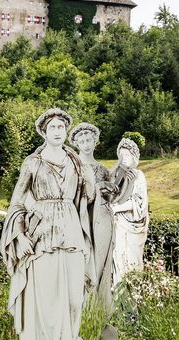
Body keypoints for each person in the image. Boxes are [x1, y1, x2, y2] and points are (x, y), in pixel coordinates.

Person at [1, 108, 97, 340]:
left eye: (62, 128)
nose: (58, 132)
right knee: (45, 296)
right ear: (44, 131)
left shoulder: (75, 161)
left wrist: (89, 177)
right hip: (42, 233)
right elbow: (17, 202)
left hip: (71, 228)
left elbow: (90, 197)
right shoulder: (32, 163)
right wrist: (19, 236)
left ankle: (69, 339)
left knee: (74, 296)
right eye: (53, 127)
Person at [68, 123, 117, 315]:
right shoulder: (73, 167)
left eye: (89, 140)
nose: (86, 143)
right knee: (83, 259)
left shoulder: (103, 169)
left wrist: (112, 188)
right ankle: (83, 308)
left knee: (101, 260)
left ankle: (100, 308)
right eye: (82, 140)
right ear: (76, 143)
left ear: (95, 142)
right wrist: (98, 187)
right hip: (82, 217)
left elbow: (111, 199)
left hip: (103, 218)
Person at [110, 138, 149, 283]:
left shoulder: (138, 175)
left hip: (133, 224)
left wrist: (117, 208)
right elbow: (112, 196)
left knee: (132, 259)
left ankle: (133, 295)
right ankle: (118, 295)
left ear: (134, 156)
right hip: (118, 224)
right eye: (121, 156)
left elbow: (139, 202)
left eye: (127, 155)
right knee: (118, 257)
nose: (124, 159)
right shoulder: (118, 175)